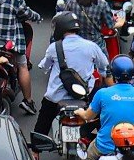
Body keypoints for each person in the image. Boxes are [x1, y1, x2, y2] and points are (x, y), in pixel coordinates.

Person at [34, 12, 108, 144]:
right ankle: (103, 143)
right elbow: (104, 67)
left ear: (60, 28)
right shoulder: (92, 46)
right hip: (85, 96)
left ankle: (35, 150)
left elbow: (44, 67)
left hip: (57, 97)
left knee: (44, 116)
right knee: (102, 114)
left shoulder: (54, 47)